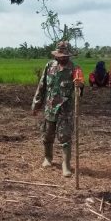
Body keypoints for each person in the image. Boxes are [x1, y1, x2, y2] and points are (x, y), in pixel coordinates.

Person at [32, 40, 83, 177]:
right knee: (48, 134)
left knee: (65, 136)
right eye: (60, 55)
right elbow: (42, 86)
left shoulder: (75, 69)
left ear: (68, 56)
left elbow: (80, 91)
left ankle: (66, 165)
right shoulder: (49, 66)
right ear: (56, 55)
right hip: (50, 107)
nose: (62, 58)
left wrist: (79, 86)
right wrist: (36, 104)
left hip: (65, 109)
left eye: (65, 56)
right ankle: (48, 158)